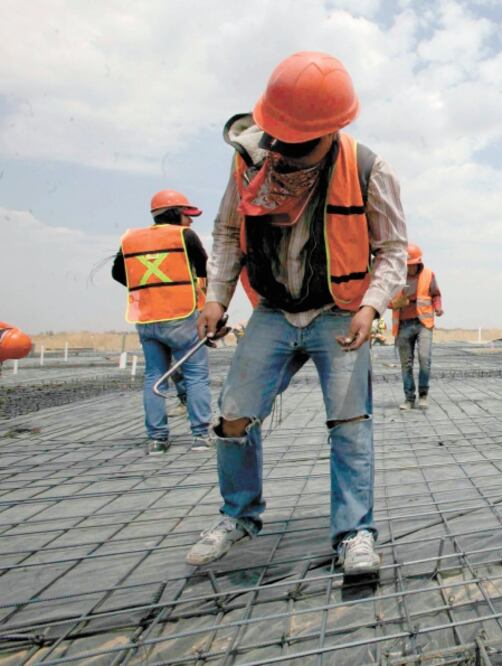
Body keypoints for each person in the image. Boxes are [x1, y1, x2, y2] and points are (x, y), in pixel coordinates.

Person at [185, 52, 407, 577]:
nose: (285, 151)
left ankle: (354, 532)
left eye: (299, 142)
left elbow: (394, 250)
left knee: (350, 424)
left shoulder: (368, 169)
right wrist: (216, 296)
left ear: (331, 130)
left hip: (338, 313)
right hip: (274, 311)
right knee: (233, 417)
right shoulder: (249, 161)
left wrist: (371, 306)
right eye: (279, 136)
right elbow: (223, 231)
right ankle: (239, 516)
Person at [111, 190, 211, 455]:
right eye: (187, 215)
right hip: (182, 317)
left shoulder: (131, 239)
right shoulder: (184, 236)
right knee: (195, 376)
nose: (190, 221)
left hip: (147, 319)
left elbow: (118, 273)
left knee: (154, 377)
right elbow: (204, 270)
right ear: (176, 213)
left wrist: (149, 291)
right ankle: (200, 435)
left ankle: (157, 440)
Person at [389, 243, 443, 410]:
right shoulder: (396, 278)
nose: (410, 267)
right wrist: (396, 303)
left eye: (412, 264)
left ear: (418, 262)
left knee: (424, 359)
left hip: (423, 324)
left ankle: (423, 394)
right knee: (406, 364)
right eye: (407, 264)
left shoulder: (428, 275)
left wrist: (438, 307)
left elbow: (436, 295)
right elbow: (387, 301)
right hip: (404, 325)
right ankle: (409, 398)